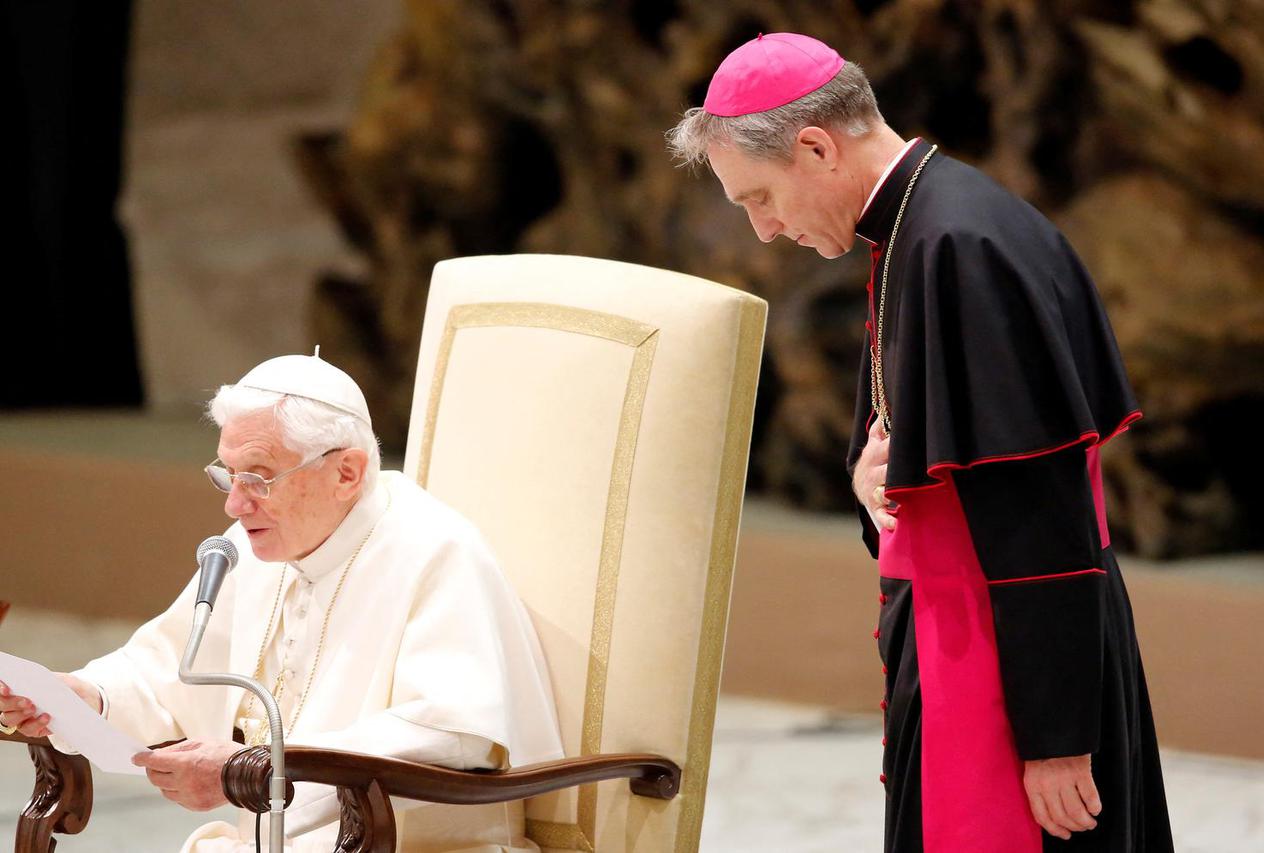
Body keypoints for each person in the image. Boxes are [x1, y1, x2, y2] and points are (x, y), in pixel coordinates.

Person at [668, 32, 1172, 853]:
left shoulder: (960, 246)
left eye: (759, 197)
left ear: (816, 146)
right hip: (958, 641)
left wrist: (1054, 738)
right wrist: (876, 485)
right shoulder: (918, 228)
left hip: (1004, 676)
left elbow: (1041, 510)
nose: (764, 230)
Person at [0, 352, 563, 852]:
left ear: (346, 472)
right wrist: (83, 697)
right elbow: (165, 671)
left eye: (259, 478)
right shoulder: (256, 550)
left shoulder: (434, 551)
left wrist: (256, 770)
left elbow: (455, 734)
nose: (235, 506)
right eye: (228, 475)